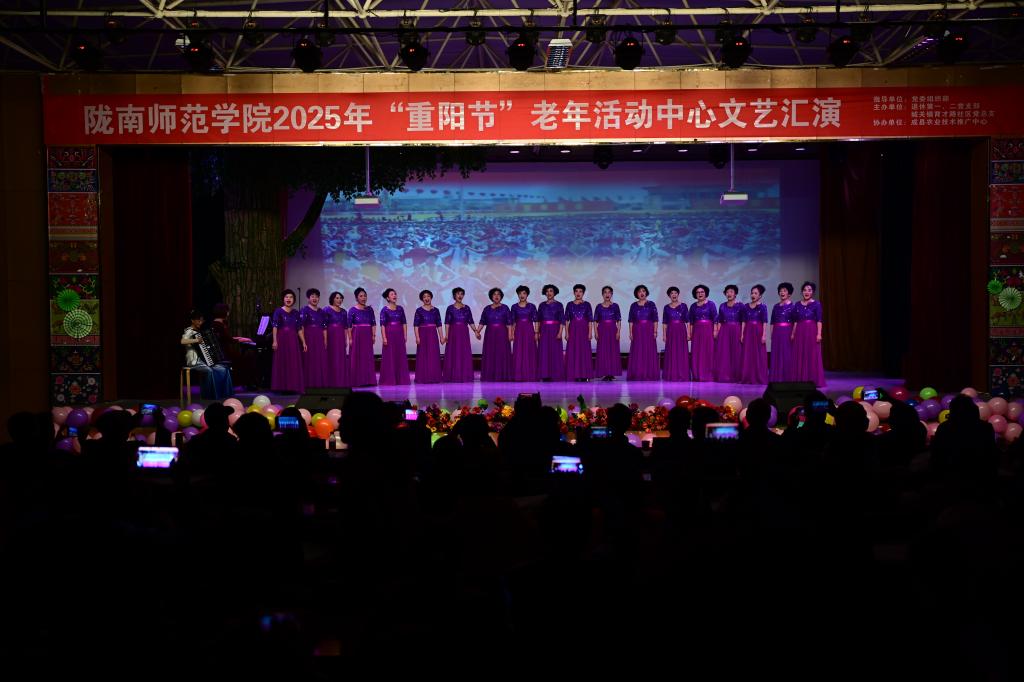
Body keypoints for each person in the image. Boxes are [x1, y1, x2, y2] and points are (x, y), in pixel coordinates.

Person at [183, 309, 235, 399]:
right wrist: (196, 340)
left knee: (223, 369)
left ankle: (225, 394)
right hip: (193, 360)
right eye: (198, 320)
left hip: (201, 360)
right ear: (192, 320)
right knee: (209, 371)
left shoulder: (198, 332)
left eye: (201, 320)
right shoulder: (189, 331)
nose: (200, 322)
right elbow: (183, 341)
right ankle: (208, 396)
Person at [790, 281, 826, 388]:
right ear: (802, 292)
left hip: (811, 332)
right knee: (800, 354)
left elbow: (819, 320)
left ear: (813, 292)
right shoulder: (797, 304)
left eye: (809, 290)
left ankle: (812, 380)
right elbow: (796, 321)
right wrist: (793, 333)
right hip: (800, 332)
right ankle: (801, 379)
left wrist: (819, 334)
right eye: (805, 290)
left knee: (812, 355)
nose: (807, 292)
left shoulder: (817, 304)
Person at [270, 291, 304, 394]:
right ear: (283, 299)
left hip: (293, 340)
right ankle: (282, 387)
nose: (288, 299)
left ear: (294, 300)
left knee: (292, 362)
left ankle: (292, 386)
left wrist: (304, 342)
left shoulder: (296, 313)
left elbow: (299, 329)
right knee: (283, 361)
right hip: (282, 339)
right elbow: (275, 326)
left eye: (291, 297)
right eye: (286, 297)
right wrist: (275, 341)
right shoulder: (278, 311)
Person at [478, 287, 513, 382]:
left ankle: (502, 375)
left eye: (498, 294)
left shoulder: (505, 308)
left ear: (501, 297)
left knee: (502, 353)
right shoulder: (487, 309)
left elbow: (509, 323)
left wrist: (510, 334)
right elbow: (482, 321)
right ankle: (490, 375)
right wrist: (478, 331)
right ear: (491, 297)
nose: (496, 296)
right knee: (490, 353)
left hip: (502, 333)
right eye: (494, 294)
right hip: (490, 334)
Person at [379, 288, 411, 385]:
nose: (394, 296)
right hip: (389, 334)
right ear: (388, 298)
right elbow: (382, 325)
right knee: (390, 356)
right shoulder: (384, 310)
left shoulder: (400, 308)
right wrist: (384, 337)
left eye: (395, 294)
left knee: (400, 355)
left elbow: (404, 323)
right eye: (392, 294)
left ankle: (401, 379)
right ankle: (390, 379)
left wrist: (405, 335)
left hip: (399, 334)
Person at [627, 284, 659, 380]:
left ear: (646, 293)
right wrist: (631, 332)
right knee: (638, 351)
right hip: (637, 330)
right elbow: (631, 320)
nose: (642, 293)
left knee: (649, 350)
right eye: (639, 291)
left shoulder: (651, 304)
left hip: (649, 330)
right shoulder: (633, 305)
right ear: (636, 294)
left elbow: (655, 319)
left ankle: (649, 373)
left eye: (643, 291)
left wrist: (655, 331)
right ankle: (638, 373)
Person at [443, 287, 475, 382]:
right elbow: (447, 323)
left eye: (461, 294)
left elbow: (470, 321)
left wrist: (476, 331)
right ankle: (453, 375)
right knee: (454, 352)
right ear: (454, 296)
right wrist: (447, 335)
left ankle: (464, 374)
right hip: (453, 333)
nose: (460, 295)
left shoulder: (467, 308)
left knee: (463, 352)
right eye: (458, 294)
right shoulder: (450, 308)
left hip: (464, 332)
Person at [739, 284, 768, 384]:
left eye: (755, 293)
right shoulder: (746, 307)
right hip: (748, 332)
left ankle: (758, 377)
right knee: (748, 354)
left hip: (758, 332)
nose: (753, 295)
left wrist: (764, 335)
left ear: (760, 296)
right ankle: (747, 376)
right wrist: (742, 334)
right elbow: (743, 321)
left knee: (758, 354)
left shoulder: (763, 307)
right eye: (752, 293)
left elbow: (764, 322)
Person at [348, 287, 377, 387]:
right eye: (361, 296)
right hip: (357, 336)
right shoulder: (352, 310)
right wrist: (350, 338)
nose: (363, 298)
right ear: (356, 298)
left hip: (367, 335)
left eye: (365, 296)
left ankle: (369, 380)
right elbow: (349, 326)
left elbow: (373, 323)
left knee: (367, 357)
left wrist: (373, 335)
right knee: (357, 357)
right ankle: (357, 381)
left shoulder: (370, 310)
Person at [714, 284, 743, 383]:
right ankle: (725, 376)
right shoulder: (722, 306)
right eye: (727, 292)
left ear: (735, 294)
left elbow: (743, 321)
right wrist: (717, 332)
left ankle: (736, 376)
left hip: (736, 330)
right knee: (724, 353)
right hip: (724, 331)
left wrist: (742, 334)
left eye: (731, 292)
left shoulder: (740, 306)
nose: (729, 294)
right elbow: (720, 321)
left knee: (736, 353)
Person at [300, 288, 328, 388]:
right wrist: (303, 341)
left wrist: (325, 340)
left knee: (319, 360)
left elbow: (324, 327)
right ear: (308, 298)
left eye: (316, 297)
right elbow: (301, 326)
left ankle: (319, 383)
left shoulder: (321, 311)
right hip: (309, 337)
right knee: (309, 360)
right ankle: (309, 384)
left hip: (319, 338)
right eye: (312, 296)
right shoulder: (304, 310)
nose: (314, 298)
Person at [564, 284, 593, 382]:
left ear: (583, 293)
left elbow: (590, 320)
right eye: (576, 291)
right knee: (573, 351)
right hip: (573, 330)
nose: (578, 293)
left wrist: (590, 333)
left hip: (584, 330)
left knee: (584, 352)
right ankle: (574, 374)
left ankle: (585, 375)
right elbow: (566, 320)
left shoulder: (587, 304)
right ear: (573, 292)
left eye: (580, 291)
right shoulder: (569, 304)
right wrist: (566, 333)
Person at [414, 289, 443, 384]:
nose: (426, 298)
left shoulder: (436, 310)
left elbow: (439, 324)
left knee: (433, 355)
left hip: (433, 334)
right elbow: (416, 325)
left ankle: (434, 376)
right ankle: (423, 377)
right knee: (423, 355)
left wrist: (441, 337)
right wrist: (417, 337)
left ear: (431, 297)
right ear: (422, 299)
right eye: (424, 297)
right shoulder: (419, 310)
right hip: (423, 334)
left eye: (428, 296)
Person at [688, 284, 716, 382]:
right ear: (695, 294)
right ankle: (697, 375)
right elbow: (691, 322)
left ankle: (708, 374)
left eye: (702, 292)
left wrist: (715, 331)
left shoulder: (711, 304)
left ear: (705, 293)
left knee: (708, 352)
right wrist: (690, 333)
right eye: (698, 292)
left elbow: (715, 319)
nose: (700, 294)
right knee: (697, 352)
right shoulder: (693, 306)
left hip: (708, 331)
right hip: (697, 332)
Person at [537, 284, 565, 381]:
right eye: (547, 291)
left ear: (554, 293)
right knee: (544, 352)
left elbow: (562, 320)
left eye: (551, 291)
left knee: (555, 352)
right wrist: (538, 332)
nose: (549, 293)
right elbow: (539, 320)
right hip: (544, 330)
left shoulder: (559, 305)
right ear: (545, 293)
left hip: (555, 330)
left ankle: (555, 374)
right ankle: (545, 375)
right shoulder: (541, 305)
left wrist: (560, 332)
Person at [594, 285, 622, 380]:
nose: (607, 294)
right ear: (602, 294)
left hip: (613, 330)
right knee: (603, 351)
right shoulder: (599, 306)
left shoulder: (615, 306)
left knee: (613, 351)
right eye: (605, 292)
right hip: (602, 330)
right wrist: (596, 332)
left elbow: (618, 320)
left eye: (609, 292)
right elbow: (595, 321)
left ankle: (611, 372)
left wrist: (618, 332)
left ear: (612, 294)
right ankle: (604, 372)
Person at [510, 285, 539, 382]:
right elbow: (513, 322)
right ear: (517, 294)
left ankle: (530, 374)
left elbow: (536, 320)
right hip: (518, 331)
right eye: (520, 293)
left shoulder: (532, 306)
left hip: (529, 330)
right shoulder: (514, 307)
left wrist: (536, 333)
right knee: (518, 351)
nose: (522, 295)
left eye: (524, 293)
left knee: (529, 351)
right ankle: (518, 375)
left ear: (527, 295)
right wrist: (511, 333)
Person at [662, 286, 690, 382]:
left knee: (681, 352)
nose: (674, 295)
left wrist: (688, 333)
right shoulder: (666, 307)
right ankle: (672, 374)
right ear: (669, 296)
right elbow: (664, 323)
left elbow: (688, 321)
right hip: (671, 331)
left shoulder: (684, 306)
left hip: (681, 330)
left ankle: (682, 374)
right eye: (672, 293)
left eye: (675, 293)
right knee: (671, 352)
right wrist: (664, 335)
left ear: (678, 294)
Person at [769, 282, 796, 382]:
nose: (782, 292)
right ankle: (776, 376)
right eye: (780, 291)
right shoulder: (776, 306)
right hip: (777, 332)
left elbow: (795, 322)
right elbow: (772, 321)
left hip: (787, 332)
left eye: (784, 291)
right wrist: (772, 334)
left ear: (789, 293)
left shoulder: (793, 306)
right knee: (777, 353)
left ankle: (787, 376)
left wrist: (793, 333)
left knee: (787, 353)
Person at [325, 291, 351, 387]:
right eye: (337, 298)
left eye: (340, 298)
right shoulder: (326, 310)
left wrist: (345, 339)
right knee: (331, 357)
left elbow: (345, 327)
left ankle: (340, 380)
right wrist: (325, 339)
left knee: (340, 358)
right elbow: (324, 326)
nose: (339, 300)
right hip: (330, 336)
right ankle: (331, 380)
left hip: (340, 337)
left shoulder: (344, 311)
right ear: (332, 299)